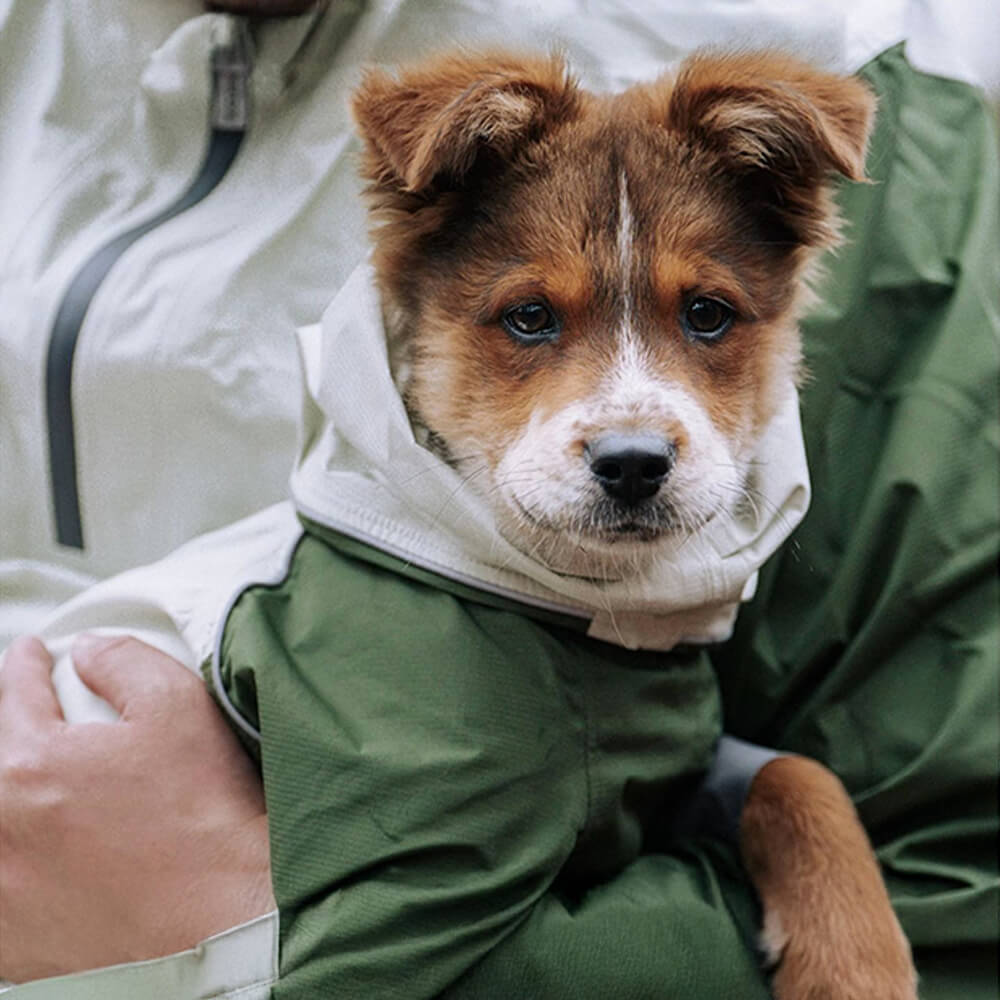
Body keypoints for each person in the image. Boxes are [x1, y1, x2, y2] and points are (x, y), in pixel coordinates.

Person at [0, 1, 997, 998]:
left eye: (704, 314)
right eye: (528, 318)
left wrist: (787, 805)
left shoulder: (845, 63)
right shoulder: (409, 650)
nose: (628, 426)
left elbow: (632, 777)